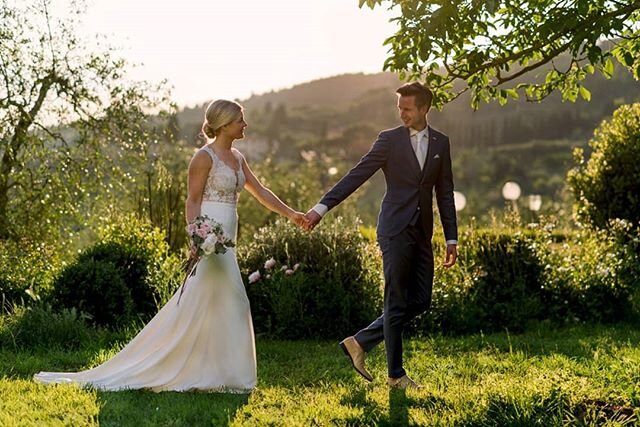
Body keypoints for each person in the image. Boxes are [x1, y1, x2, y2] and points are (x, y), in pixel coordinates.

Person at [34, 99, 308, 392]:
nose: (245, 124)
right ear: (225, 124)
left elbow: (260, 190)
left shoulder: (238, 158)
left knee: (212, 303)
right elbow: (192, 200)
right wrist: (197, 236)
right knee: (234, 302)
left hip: (230, 239)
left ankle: (219, 373)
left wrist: (292, 214)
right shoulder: (203, 158)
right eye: (240, 119)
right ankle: (222, 375)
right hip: (211, 240)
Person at [304, 82, 458, 389]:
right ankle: (395, 375)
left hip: (422, 232)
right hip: (394, 229)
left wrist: (451, 237)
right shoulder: (388, 140)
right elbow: (357, 175)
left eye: (408, 108)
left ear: (425, 108)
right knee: (396, 300)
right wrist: (321, 208)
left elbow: (445, 193)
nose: (402, 113)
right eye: (399, 107)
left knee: (421, 300)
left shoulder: (441, 143)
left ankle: (360, 341)